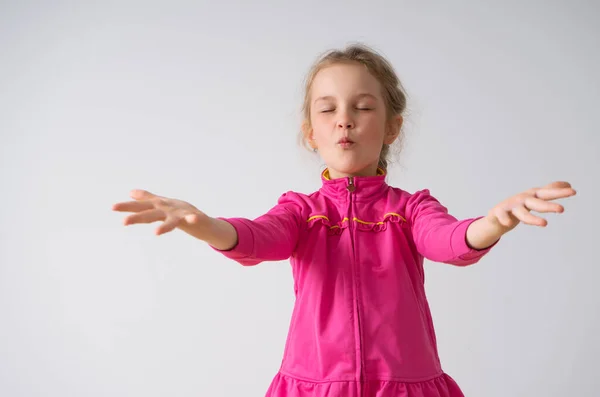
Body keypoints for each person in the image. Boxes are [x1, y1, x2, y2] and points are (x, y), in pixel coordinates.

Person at [112, 44, 576, 397]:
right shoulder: (301, 209)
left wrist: (494, 222)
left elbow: (450, 241)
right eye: (328, 108)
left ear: (393, 126)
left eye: (364, 107)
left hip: (405, 384)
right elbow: (257, 239)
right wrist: (204, 224)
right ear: (310, 132)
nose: (345, 121)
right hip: (314, 384)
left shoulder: (411, 207)